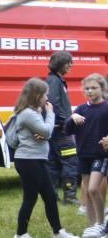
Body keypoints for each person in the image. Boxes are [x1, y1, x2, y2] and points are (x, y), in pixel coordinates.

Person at [11, 78, 81, 238]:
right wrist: (50, 113)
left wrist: (42, 129)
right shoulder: (28, 113)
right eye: (45, 96)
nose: (47, 99)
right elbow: (47, 132)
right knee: (30, 198)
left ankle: (58, 231)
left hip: (37, 160)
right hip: (28, 161)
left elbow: (42, 132)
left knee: (49, 196)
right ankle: (20, 235)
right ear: (37, 95)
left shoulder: (33, 113)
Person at [63, 74, 108, 238]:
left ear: (102, 89)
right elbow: (67, 130)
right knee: (87, 192)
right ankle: (91, 225)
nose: (90, 91)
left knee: (93, 189)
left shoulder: (106, 108)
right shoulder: (81, 109)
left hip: (100, 155)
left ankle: (100, 223)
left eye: (94, 88)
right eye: (87, 88)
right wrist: (71, 118)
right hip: (83, 155)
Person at [45, 51, 79, 205]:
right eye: (68, 62)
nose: (71, 65)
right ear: (60, 63)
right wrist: (66, 121)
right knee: (71, 160)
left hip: (55, 129)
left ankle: (52, 196)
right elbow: (53, 102)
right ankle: (70, 196)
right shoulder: (55, 82)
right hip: (61, 130)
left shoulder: (55, 80)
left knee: (53, 163)